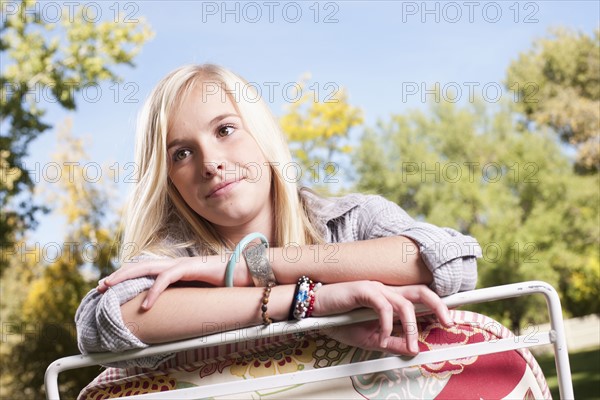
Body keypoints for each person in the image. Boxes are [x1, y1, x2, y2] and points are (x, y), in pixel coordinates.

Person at [75, 64, 482, 370]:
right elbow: (102, 323)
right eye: (181, 153)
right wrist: (310, 302)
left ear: (261, 134)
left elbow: (450, 260)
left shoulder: (348, 221)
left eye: (225, 130)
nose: (210, 162)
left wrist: (254, 266)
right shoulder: (175, 262)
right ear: (168, 181)